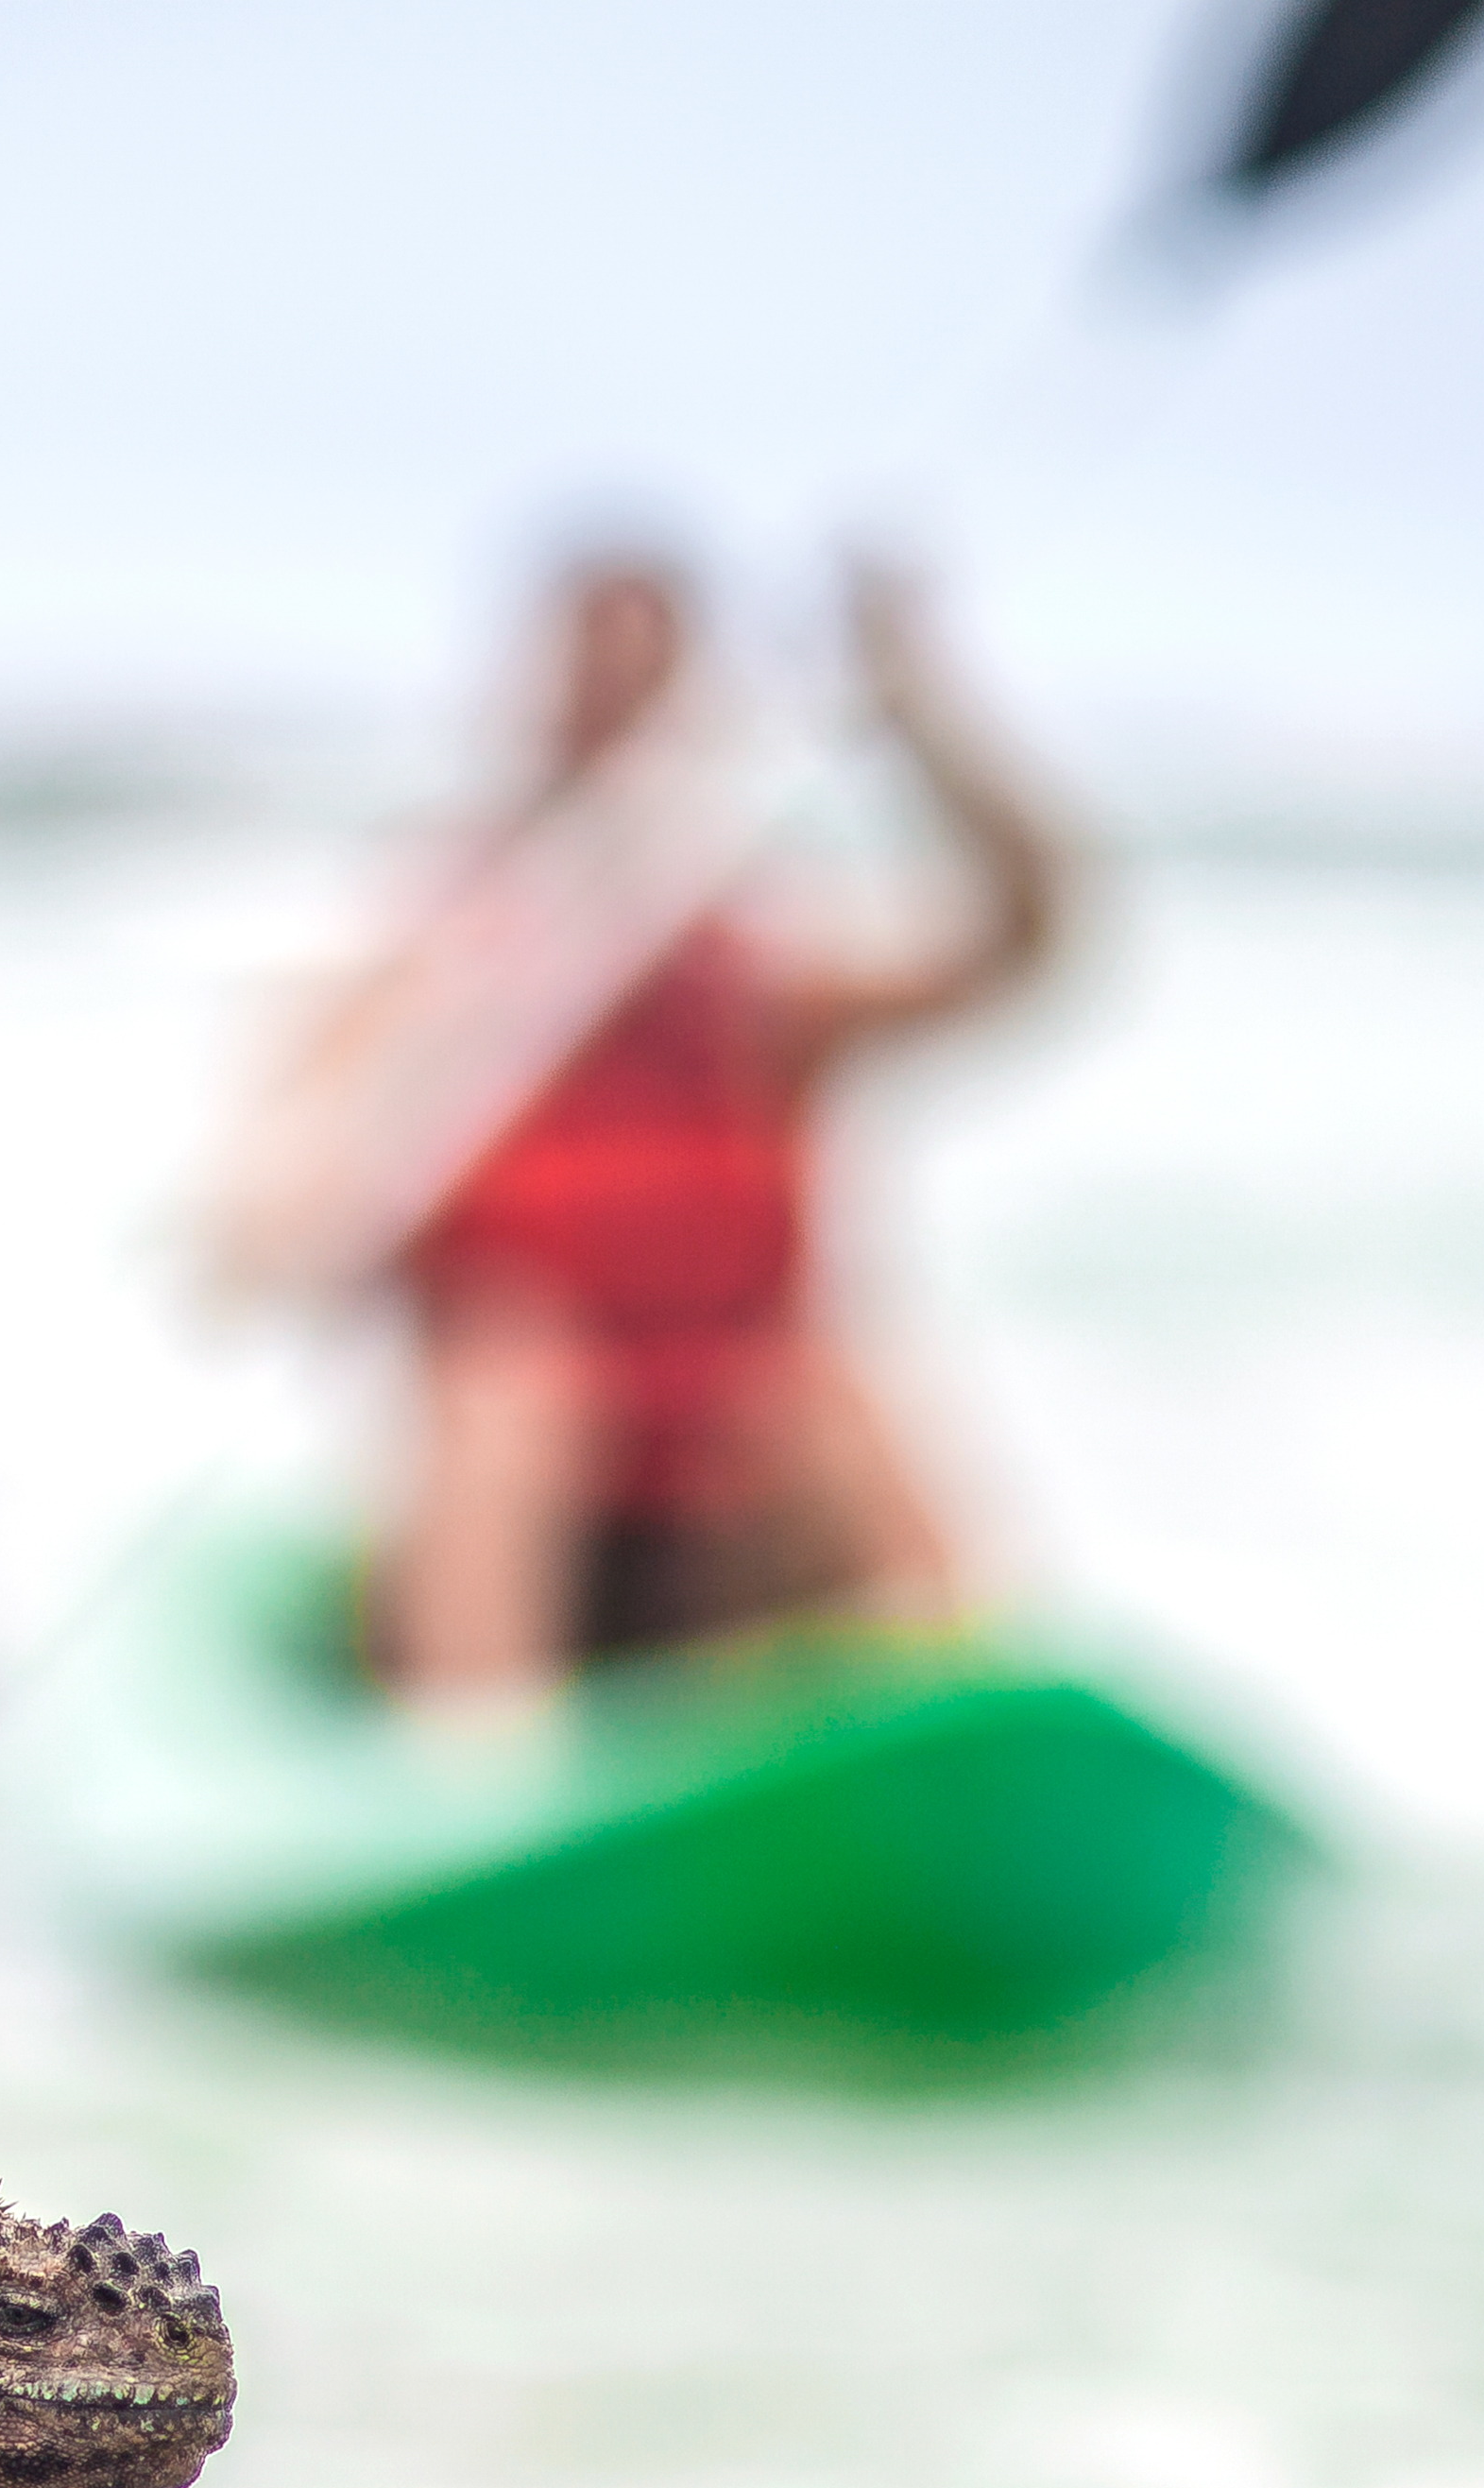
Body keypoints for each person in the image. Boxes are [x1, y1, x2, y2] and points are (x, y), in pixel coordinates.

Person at [225, 546, 1073, 1712]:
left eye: (644, 691)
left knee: (828, 1399)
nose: (612, 723)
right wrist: (297, 1202)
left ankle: (959, 1721)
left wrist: (924, 717)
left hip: (734, 1512)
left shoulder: (756, 984)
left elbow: (1023, 946)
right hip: (523, 1502)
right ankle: (481, 1781)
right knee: (508, 1392)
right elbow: (258, 1211)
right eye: (588, 685)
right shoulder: (434, 968)